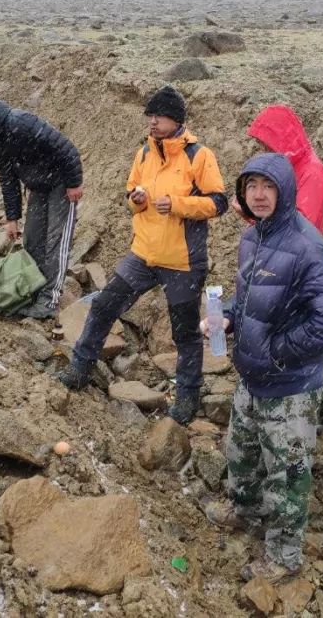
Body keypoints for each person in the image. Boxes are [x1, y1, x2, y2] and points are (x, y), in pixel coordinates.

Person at [203, 152, 323, 582]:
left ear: (285, 191)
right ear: (242, 194)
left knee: (288, 476)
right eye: (252, 187)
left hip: (290, 385)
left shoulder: (306, 246)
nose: (260, 195)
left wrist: (279, 352)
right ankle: (243, 508)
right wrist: (227, 315)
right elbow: (250, 297)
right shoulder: (254, 237)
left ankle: (284, 557)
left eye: (268, 187)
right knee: (242, 452)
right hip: (253, 375)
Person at [57, 85, 227, 425]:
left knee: (185, 333)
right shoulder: (144, 153)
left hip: (183, 262)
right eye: (150, 116)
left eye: (158, 117)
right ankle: (80, 367)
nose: (152, 122)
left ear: (176, 120)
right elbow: (130, 192)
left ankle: (187, 398)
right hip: (143, 254)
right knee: (105, 305)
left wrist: (177, 205)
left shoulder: (199, 156)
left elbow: (218, 203)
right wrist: (135, 201)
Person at [0, 95, 83, 319]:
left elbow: (65, 149)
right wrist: (12, 217)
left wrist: (73, 183)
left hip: (61, 184)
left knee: (56, 241)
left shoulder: (21, 123)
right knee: (32, 239)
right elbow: (7, 178)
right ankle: (31, 289)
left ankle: (48, 300)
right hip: (38, 186)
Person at [242, 105, 323, 232]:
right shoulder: (284, 167)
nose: (265, 152)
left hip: (298, 250)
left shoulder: (312, 172)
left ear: (282, 139)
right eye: (263, 146)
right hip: (280, 248)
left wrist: (252, 214)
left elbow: (300, 228)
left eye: (268, 146)